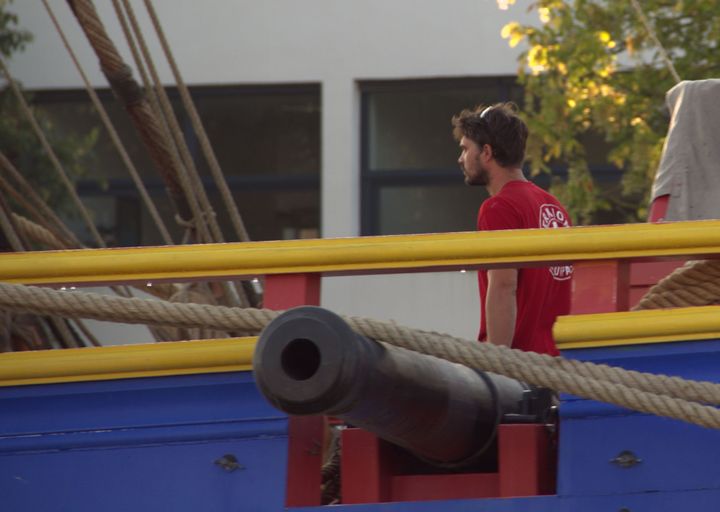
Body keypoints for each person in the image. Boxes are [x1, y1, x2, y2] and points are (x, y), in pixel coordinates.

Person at [452, 102, 572, 356]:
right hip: (557, 363)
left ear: (486, 152)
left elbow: (504, 286)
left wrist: (499, 366)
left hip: (520, 369)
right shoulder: (554, 207)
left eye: (465, 149)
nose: (460, 158)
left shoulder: (498, 208)